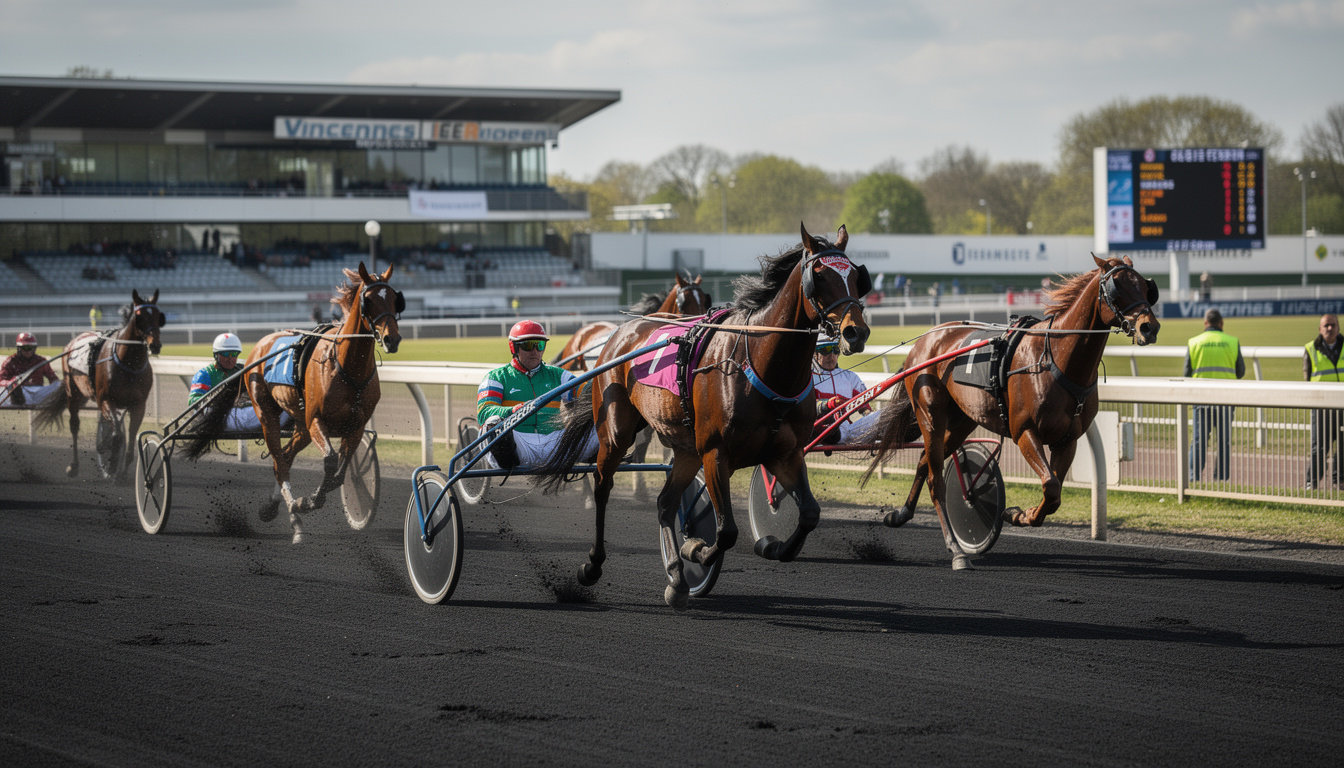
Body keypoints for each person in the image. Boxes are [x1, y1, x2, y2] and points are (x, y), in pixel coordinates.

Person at [476, 320, 596, 470]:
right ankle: (509, 463)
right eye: (527, 345)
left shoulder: (558, 375)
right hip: (520, 444)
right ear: (514, 347)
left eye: (539, 345)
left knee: (601, 419)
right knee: (491, 423)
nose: (535, 351)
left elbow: (586, 393)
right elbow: (484, 412)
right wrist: (511, 411)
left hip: (555, 446)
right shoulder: (496, 377)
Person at [1185, 309, 1245, 482]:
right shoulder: (1232, 342)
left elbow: (1186, 372)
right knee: (1224, 442)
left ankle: (1194, 478)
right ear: (1221, 323)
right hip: (1226, 400)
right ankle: (1221, 479)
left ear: (1205, 323)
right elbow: (1240, 372)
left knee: (1199, 441)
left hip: (1201, 400)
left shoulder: (1194, 342)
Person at [188, 333, 286, 433]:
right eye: (226, 354)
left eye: (234, 354)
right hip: (218, 416)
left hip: (239, 413)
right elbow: (193, 401)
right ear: (216, 355)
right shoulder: (205, 374)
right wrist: (219, 400)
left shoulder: (242, 370)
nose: (230, 359)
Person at [811, 335, 881, 444]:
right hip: (820, 432)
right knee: (831, 429)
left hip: (848, 430)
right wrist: (827, 405)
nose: (831, 355)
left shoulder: (850, 377)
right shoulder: (808, 378)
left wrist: (868, 415)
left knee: (882, 416)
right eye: (826, 350)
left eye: (835, 350)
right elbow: (805, 407)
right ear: (815, 354)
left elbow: (864, 406)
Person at [1304, 313, 1343, 490]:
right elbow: (1307, 377)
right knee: (1319, 446)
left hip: (1342, 406)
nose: (1330, 328)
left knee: (1343, 446)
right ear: (1320, 329)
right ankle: (1311, 482)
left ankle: (1339, 481)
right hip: (1321, 407)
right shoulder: (1311, 348)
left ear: (1338, 328)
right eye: (1326, 325)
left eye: (1333, 325)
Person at [1, 333, 61, 407]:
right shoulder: (11, 361)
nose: (28, 351)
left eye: (30, 348)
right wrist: (11, 383)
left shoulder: (41, 361)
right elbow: (1, 380)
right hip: (21, 392)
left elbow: (53, 379)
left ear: (34, 348)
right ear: (19, 348)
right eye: (25, 348)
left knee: (60, 385)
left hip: (39, 392)